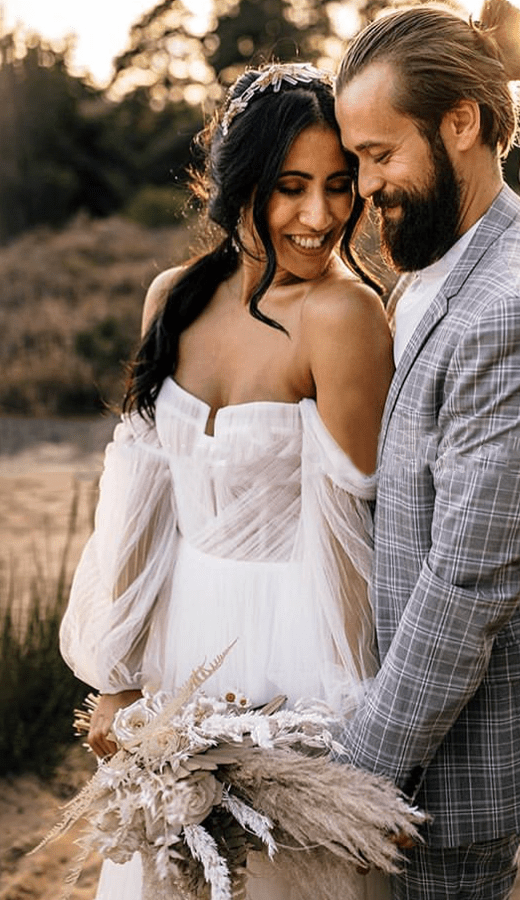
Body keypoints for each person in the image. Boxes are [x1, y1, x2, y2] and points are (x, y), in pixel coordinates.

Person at [60, 61, 394, 900]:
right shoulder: (172, 296)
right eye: (289, 186)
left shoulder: (345, 317)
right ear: (234, 183)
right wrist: (117, 678)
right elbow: (137, 501)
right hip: (178, 634)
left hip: (294, 646)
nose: (320, 215)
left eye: (338, 185)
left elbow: (363, 527)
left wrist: (357, 705)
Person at [333, 2, 520, 898]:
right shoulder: (434, 261)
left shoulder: (516, 313)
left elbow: (465, 588)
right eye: (356, 159)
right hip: (401, 736)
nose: (363, 186)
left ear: (463, 123)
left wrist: (353, 777)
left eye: (380, 155)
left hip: (442, 775)